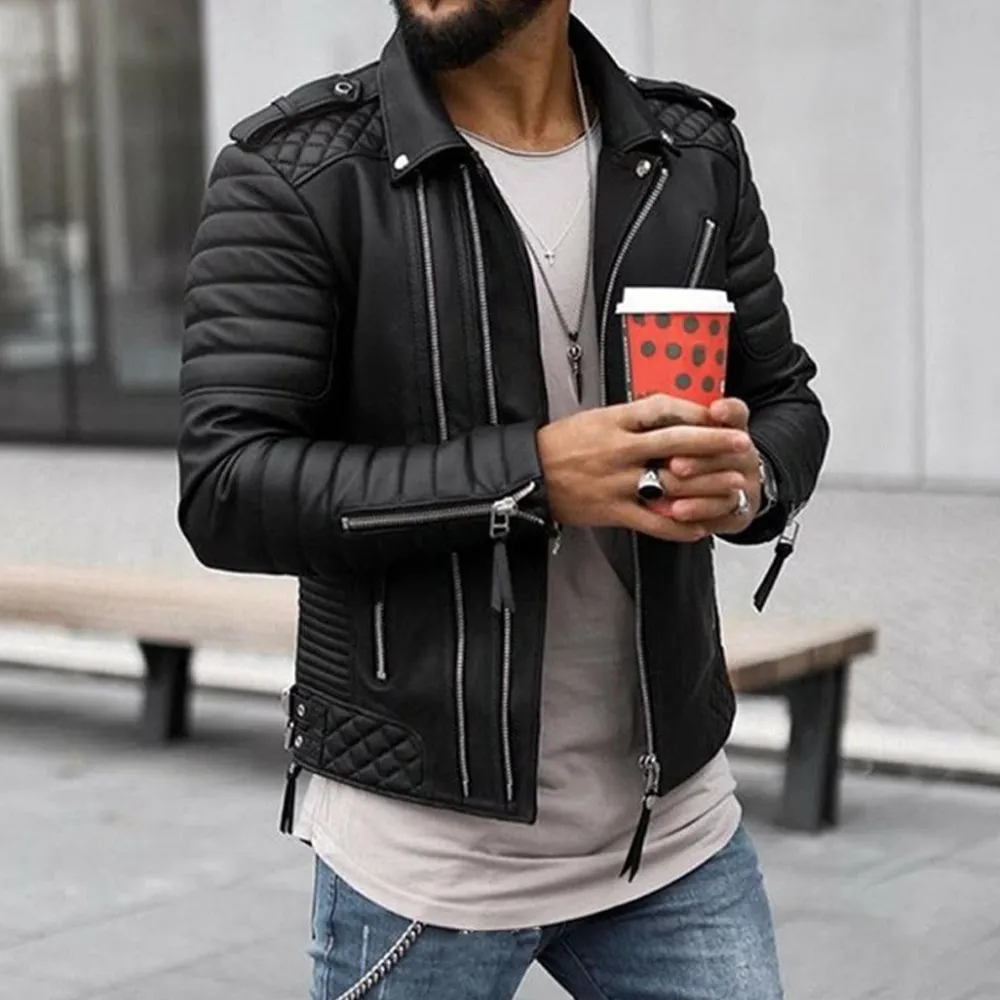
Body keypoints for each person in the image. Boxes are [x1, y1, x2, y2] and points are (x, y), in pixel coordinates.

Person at [178, 1, 828, 997]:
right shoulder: (301, 172)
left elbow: (785, 402)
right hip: (423, 856)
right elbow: (228, 485)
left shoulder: (691, 155)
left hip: (671, 831)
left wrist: (749, 484)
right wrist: (529, 479)